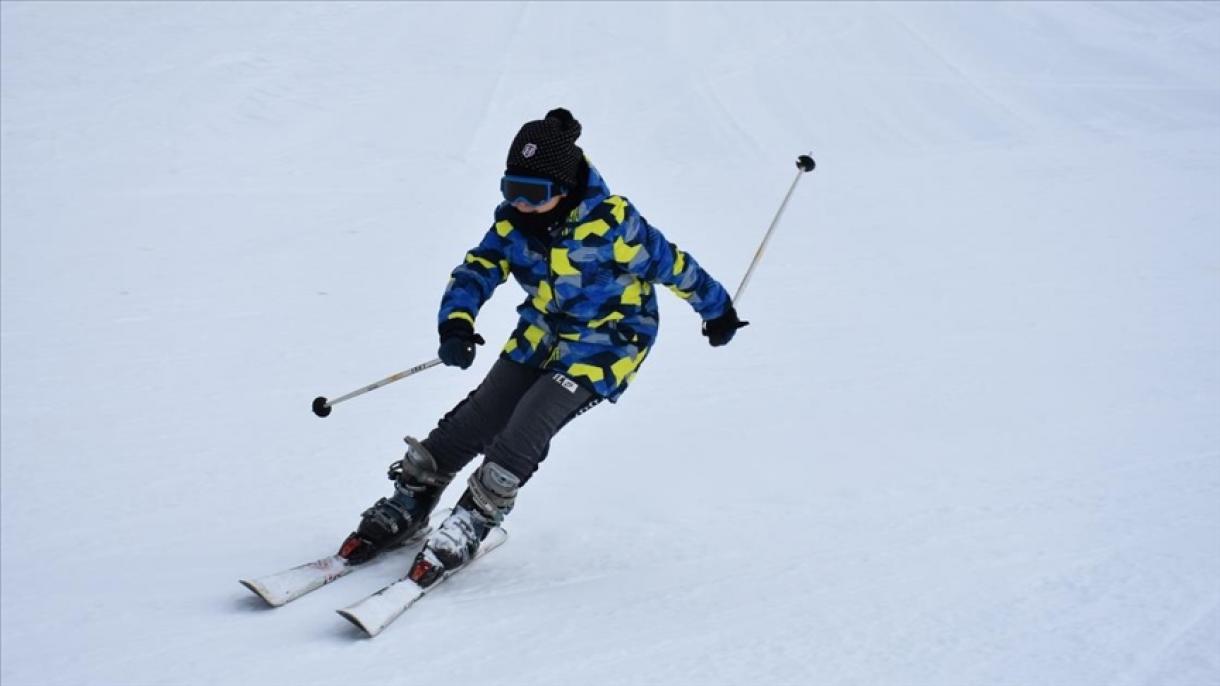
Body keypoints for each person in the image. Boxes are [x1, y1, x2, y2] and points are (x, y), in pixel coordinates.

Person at [337, 108, 747, 586]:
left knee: (531, 418)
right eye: (512, 190)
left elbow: (675, 265)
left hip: (607, 343)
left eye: (534, 194)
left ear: (565, 187)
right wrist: (456, 323)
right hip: (542, 333)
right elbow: (478, 269)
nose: (522, 204)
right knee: (480, 414)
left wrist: (716, 310)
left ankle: (475, 515)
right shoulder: (513, 225)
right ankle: (413, 499)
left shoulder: (614, 224)